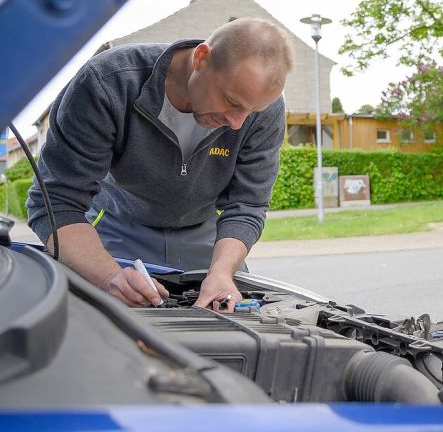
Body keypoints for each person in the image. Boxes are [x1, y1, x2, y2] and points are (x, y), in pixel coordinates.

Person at [26, 18, 292, 311]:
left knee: (229, 325)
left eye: (252, 110)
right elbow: (56, 203)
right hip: (116, 225)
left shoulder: (264, 112)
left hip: (205, 233)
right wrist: (109, 275)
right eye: (231, 101)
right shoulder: (109, 82)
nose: (237, 122)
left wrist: (221, 272)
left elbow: (247, 205)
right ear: (202, 58)